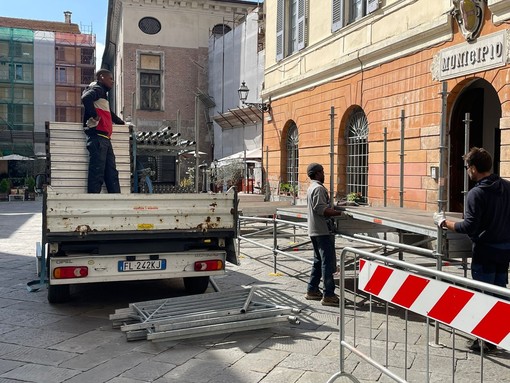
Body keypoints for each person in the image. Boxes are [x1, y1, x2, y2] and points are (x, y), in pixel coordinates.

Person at [433, 147, 510, 353]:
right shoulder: (507, 187)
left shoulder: (477, 193)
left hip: (485, 251)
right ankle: (497, 336)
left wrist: (444, 223)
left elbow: (469, 226)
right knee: (500, 294)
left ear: (474, 168)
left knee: (483, 295)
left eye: (468, 167)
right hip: (504, 251)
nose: (467, 170)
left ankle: (484, 341)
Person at [305, 163, 343, 306]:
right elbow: (322, 209)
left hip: (314, 230)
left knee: (318, 261)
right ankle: (328, 295)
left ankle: (312, 290)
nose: (324, 174)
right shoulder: (319, 188)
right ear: (317, 173)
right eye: (322, 172)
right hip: (322, 230)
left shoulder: (311, 188)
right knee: (327, 263)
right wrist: (341, 213)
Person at [81, 69, 125, 193]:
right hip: (98, 137)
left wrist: (121, 123)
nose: (112, 81)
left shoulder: (101, 95)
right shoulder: (97, 89)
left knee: (111, 174)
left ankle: (116, 205)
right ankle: (94, 206)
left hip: (104, 138)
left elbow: (109, 113)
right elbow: (86, 98)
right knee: (97, 174)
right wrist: (94, 115)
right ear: (101, 77)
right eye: (110, 78)